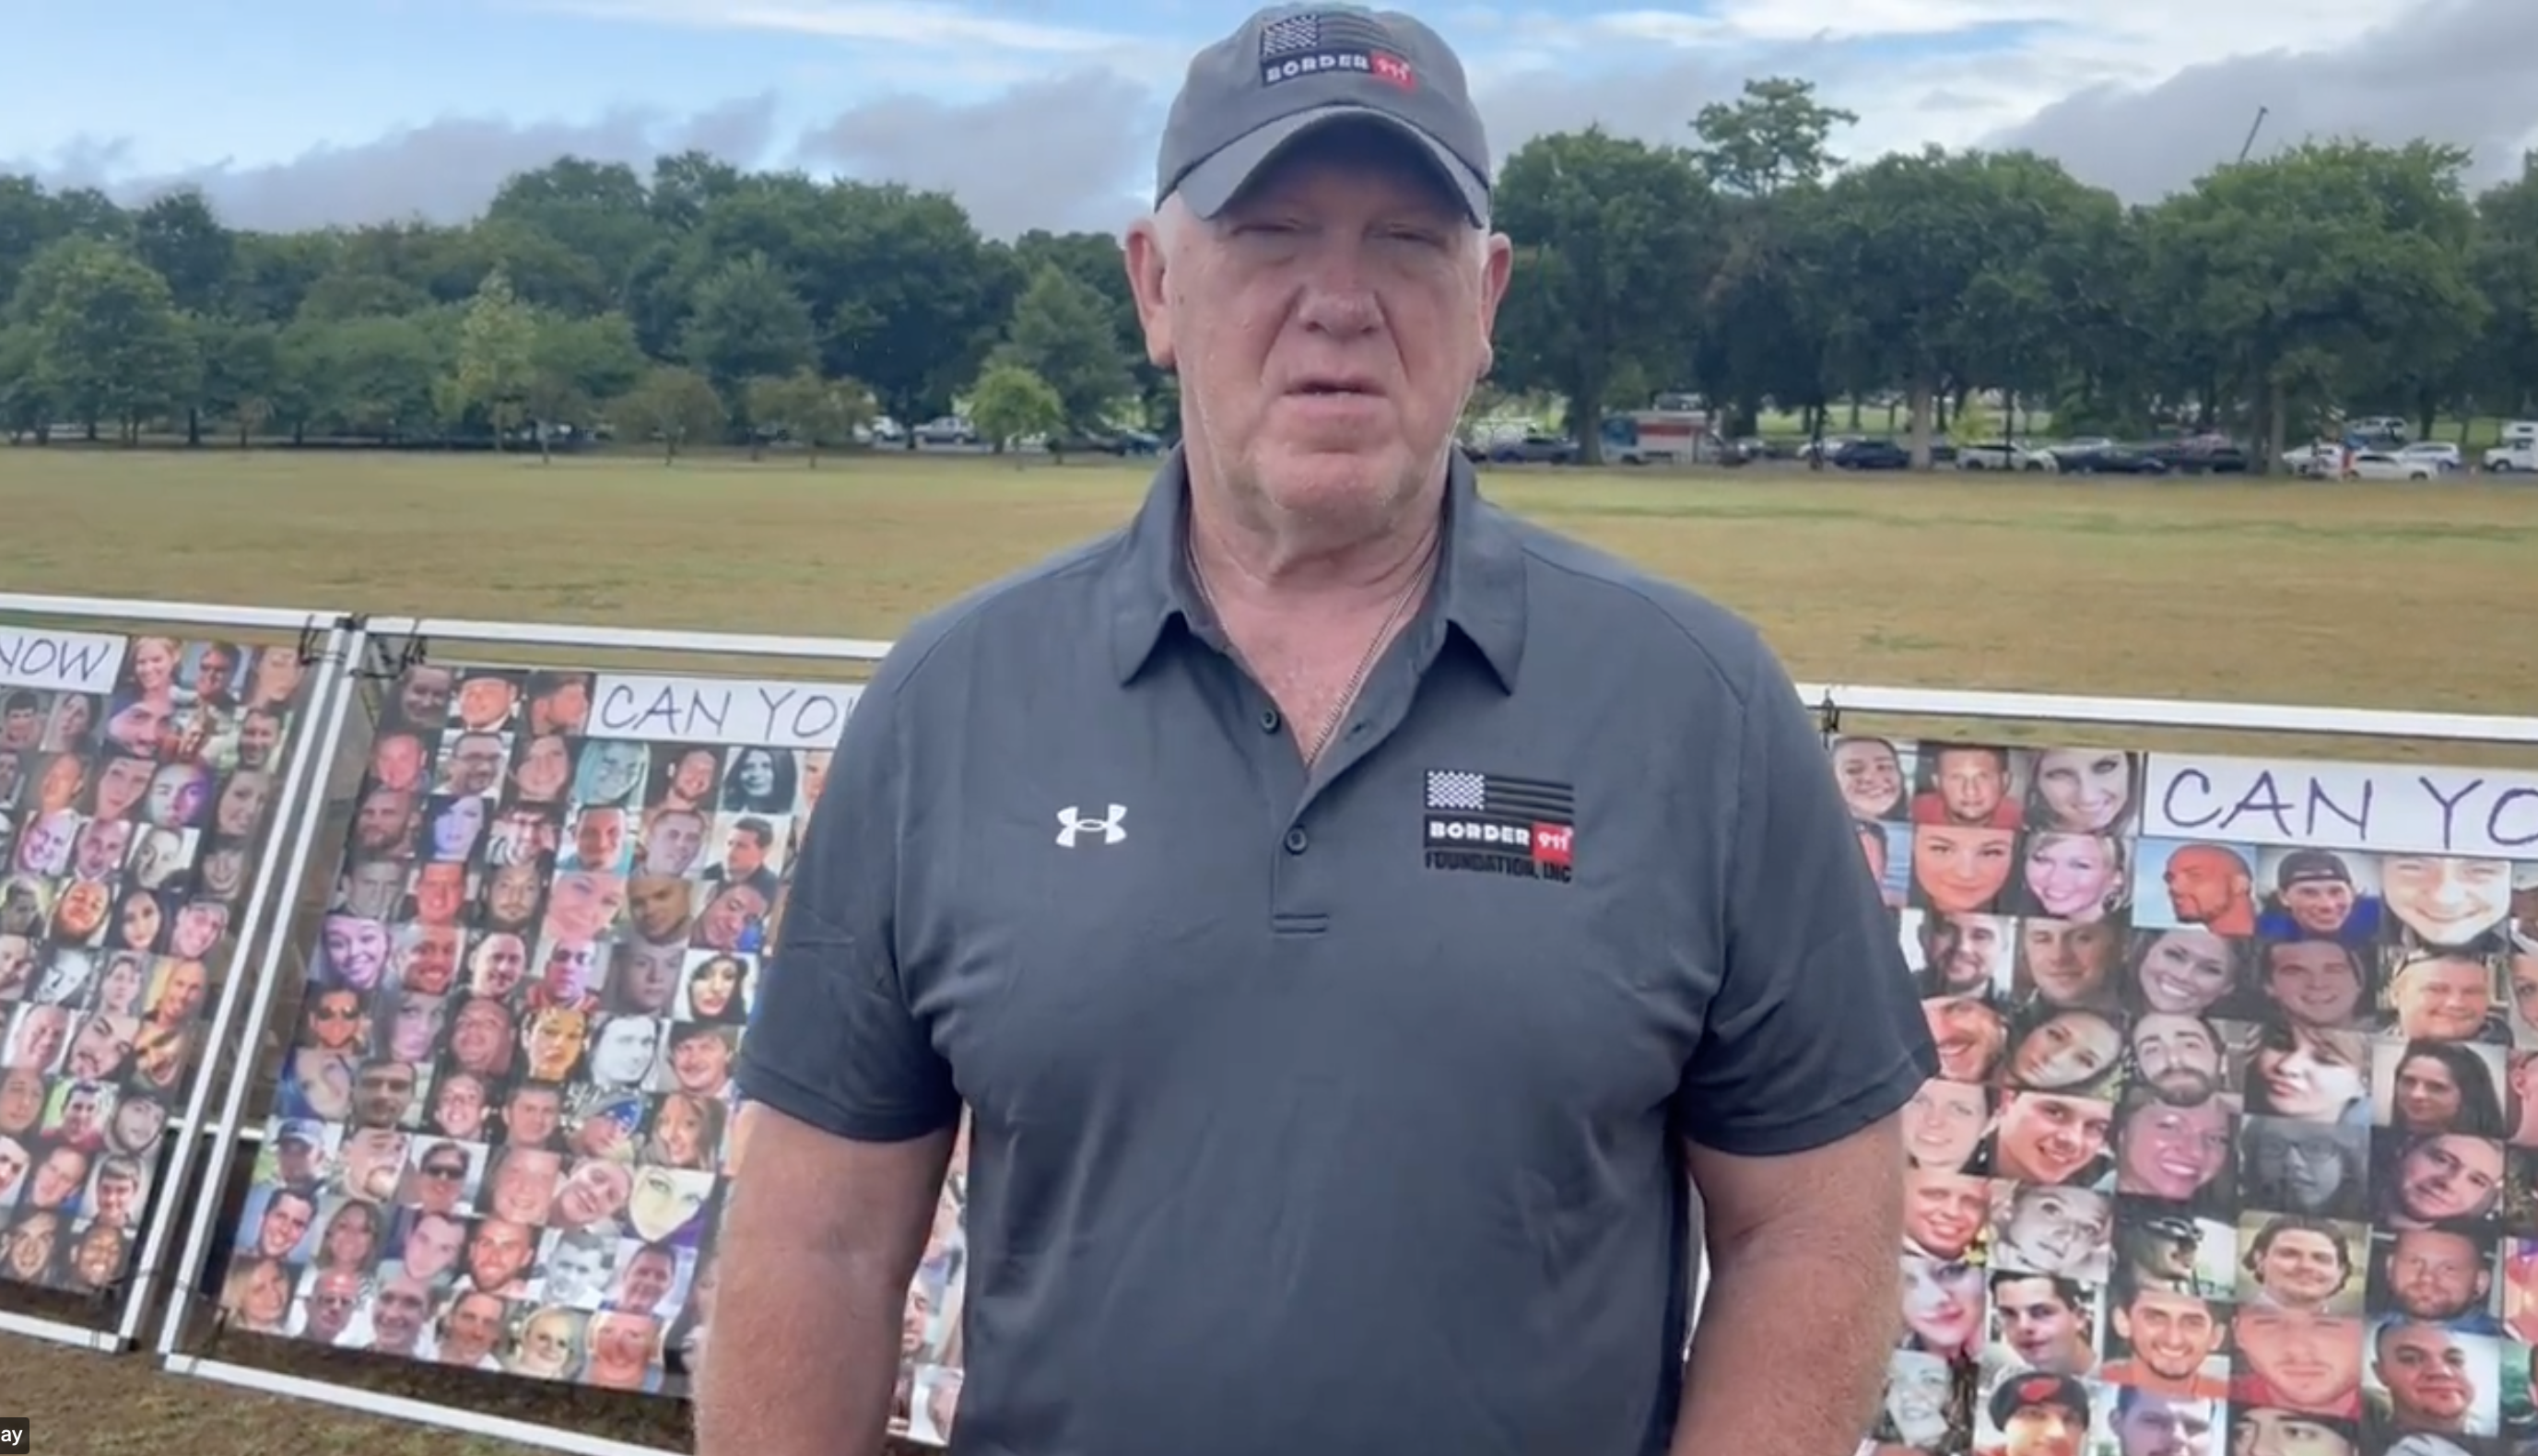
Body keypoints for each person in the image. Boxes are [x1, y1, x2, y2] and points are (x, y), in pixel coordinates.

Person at [699, 6, 1936, 1455]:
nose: (1338, 301)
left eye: (1406, 241)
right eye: (1269, 232)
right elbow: (820, 1239)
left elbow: (1810, 1231)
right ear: (1155, 284)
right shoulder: (951, 699)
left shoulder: (1697, 703)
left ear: (1486, 297)